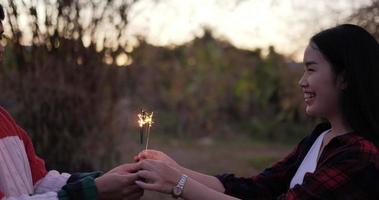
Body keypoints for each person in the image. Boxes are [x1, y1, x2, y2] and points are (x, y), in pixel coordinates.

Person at [133, 24, 379, 199]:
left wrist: (179, 183)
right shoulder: (319, 138)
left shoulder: (361, 156)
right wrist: (175, 169)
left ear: (345, 77)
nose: (301, 82)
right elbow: (258, 188)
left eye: (311, 70)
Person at [0, 5, 142, 200]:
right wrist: (92, 192)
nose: (1, 47)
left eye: (0, 37)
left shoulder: (4, 120)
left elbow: (39, 181)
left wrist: (99, 182)